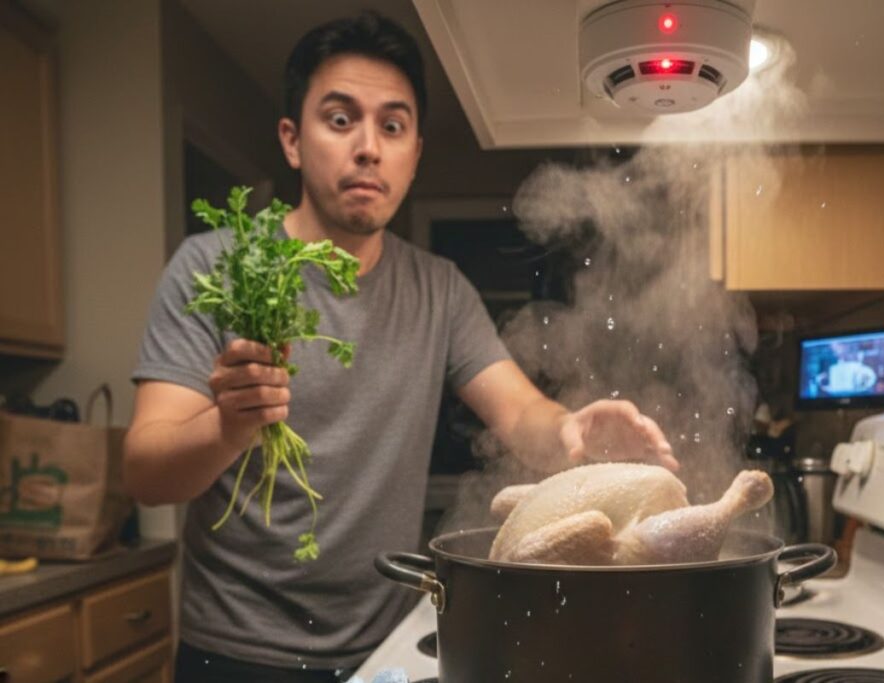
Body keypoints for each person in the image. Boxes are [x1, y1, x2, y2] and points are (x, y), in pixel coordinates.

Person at [124, 12, 677, 683]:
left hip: (388, 642)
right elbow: (147, 474)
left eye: (392, 126)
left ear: (415, 152)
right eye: (339, 119)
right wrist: (228, 426)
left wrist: (573, 431)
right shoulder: (215, 266)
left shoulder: (438, 289)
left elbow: (520, 414)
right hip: (238, 652)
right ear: (292, 141)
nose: (368, 148)